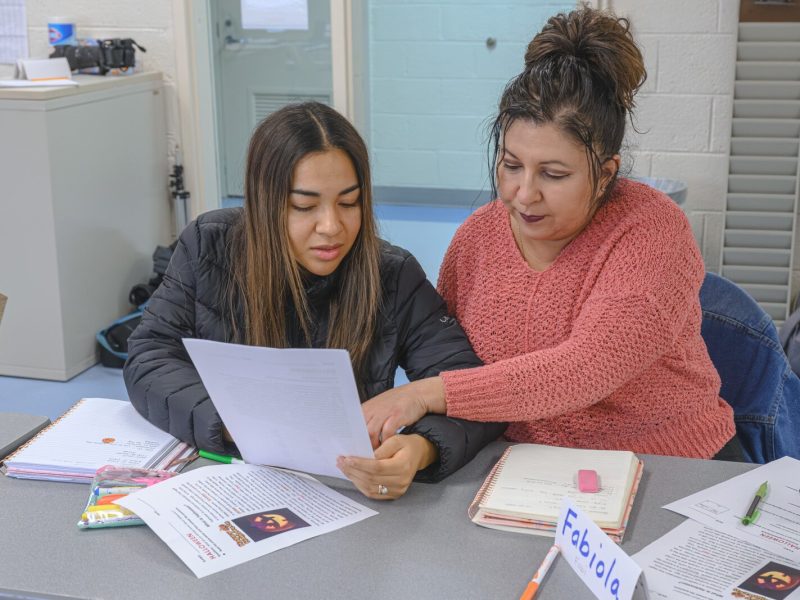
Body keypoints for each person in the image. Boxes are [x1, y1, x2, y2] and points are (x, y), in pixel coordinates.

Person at [362, 6, 740, 461]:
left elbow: (585, 368)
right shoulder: (476, 241)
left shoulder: (651, 230)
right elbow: (456, 368)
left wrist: (424, 394)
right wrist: (420, 443)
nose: (524, 195)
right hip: (522, 477)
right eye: (511, 165)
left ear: (604, 174)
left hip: (668, 466)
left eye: (554, 175)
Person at [123, 102, 505, 500]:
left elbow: (472, 387)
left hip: (344, 494)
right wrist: (230, 422)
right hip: (228, 485)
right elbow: (149, 355)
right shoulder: (209, 245)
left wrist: (421, 448)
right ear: (264, 203)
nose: (331, 227)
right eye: (304, 206)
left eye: (349, 202)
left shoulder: (391, 274)